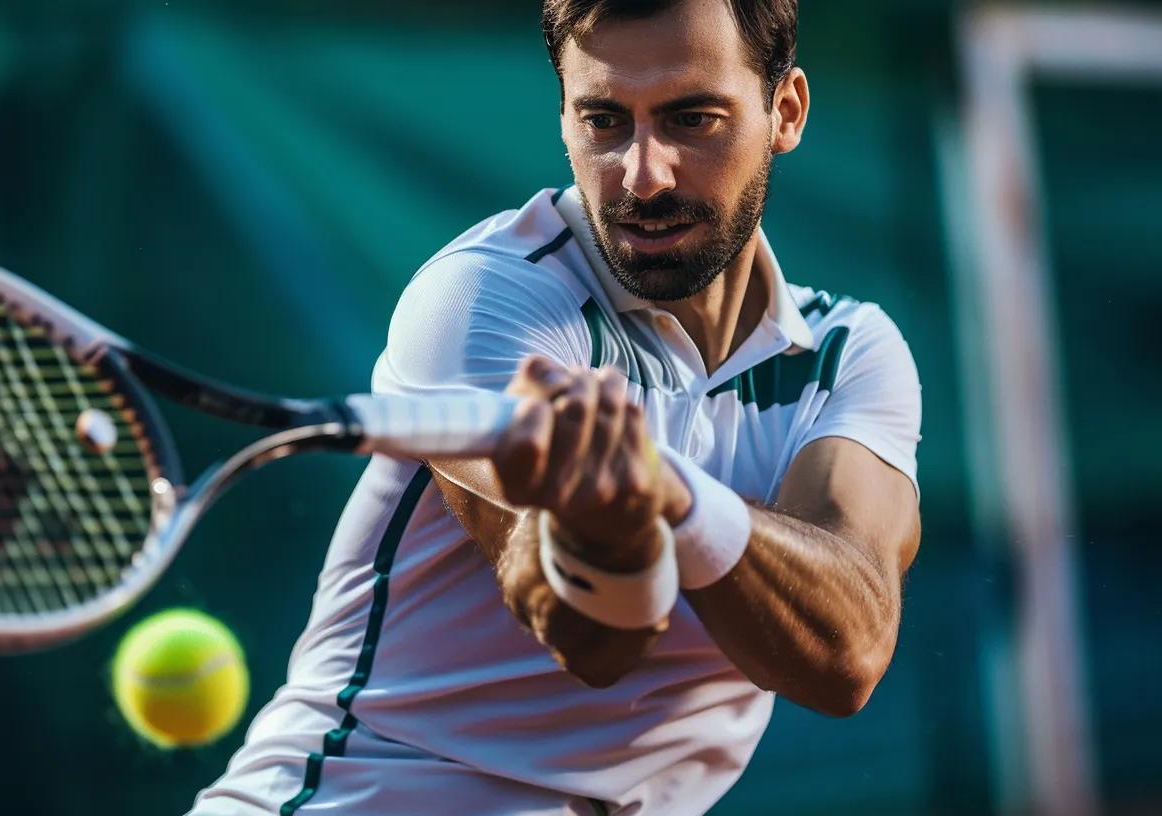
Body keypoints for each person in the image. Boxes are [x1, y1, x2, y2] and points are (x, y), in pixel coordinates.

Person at [192, 1, 921, 813]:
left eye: (691, 118)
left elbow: (845, 652)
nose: (645, 175)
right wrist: (606, 518)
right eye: (605, 121)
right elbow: (593, 644)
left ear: (783, 112)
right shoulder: (483, 297)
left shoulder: (849, 352)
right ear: (566, 120)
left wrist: (672, 495)